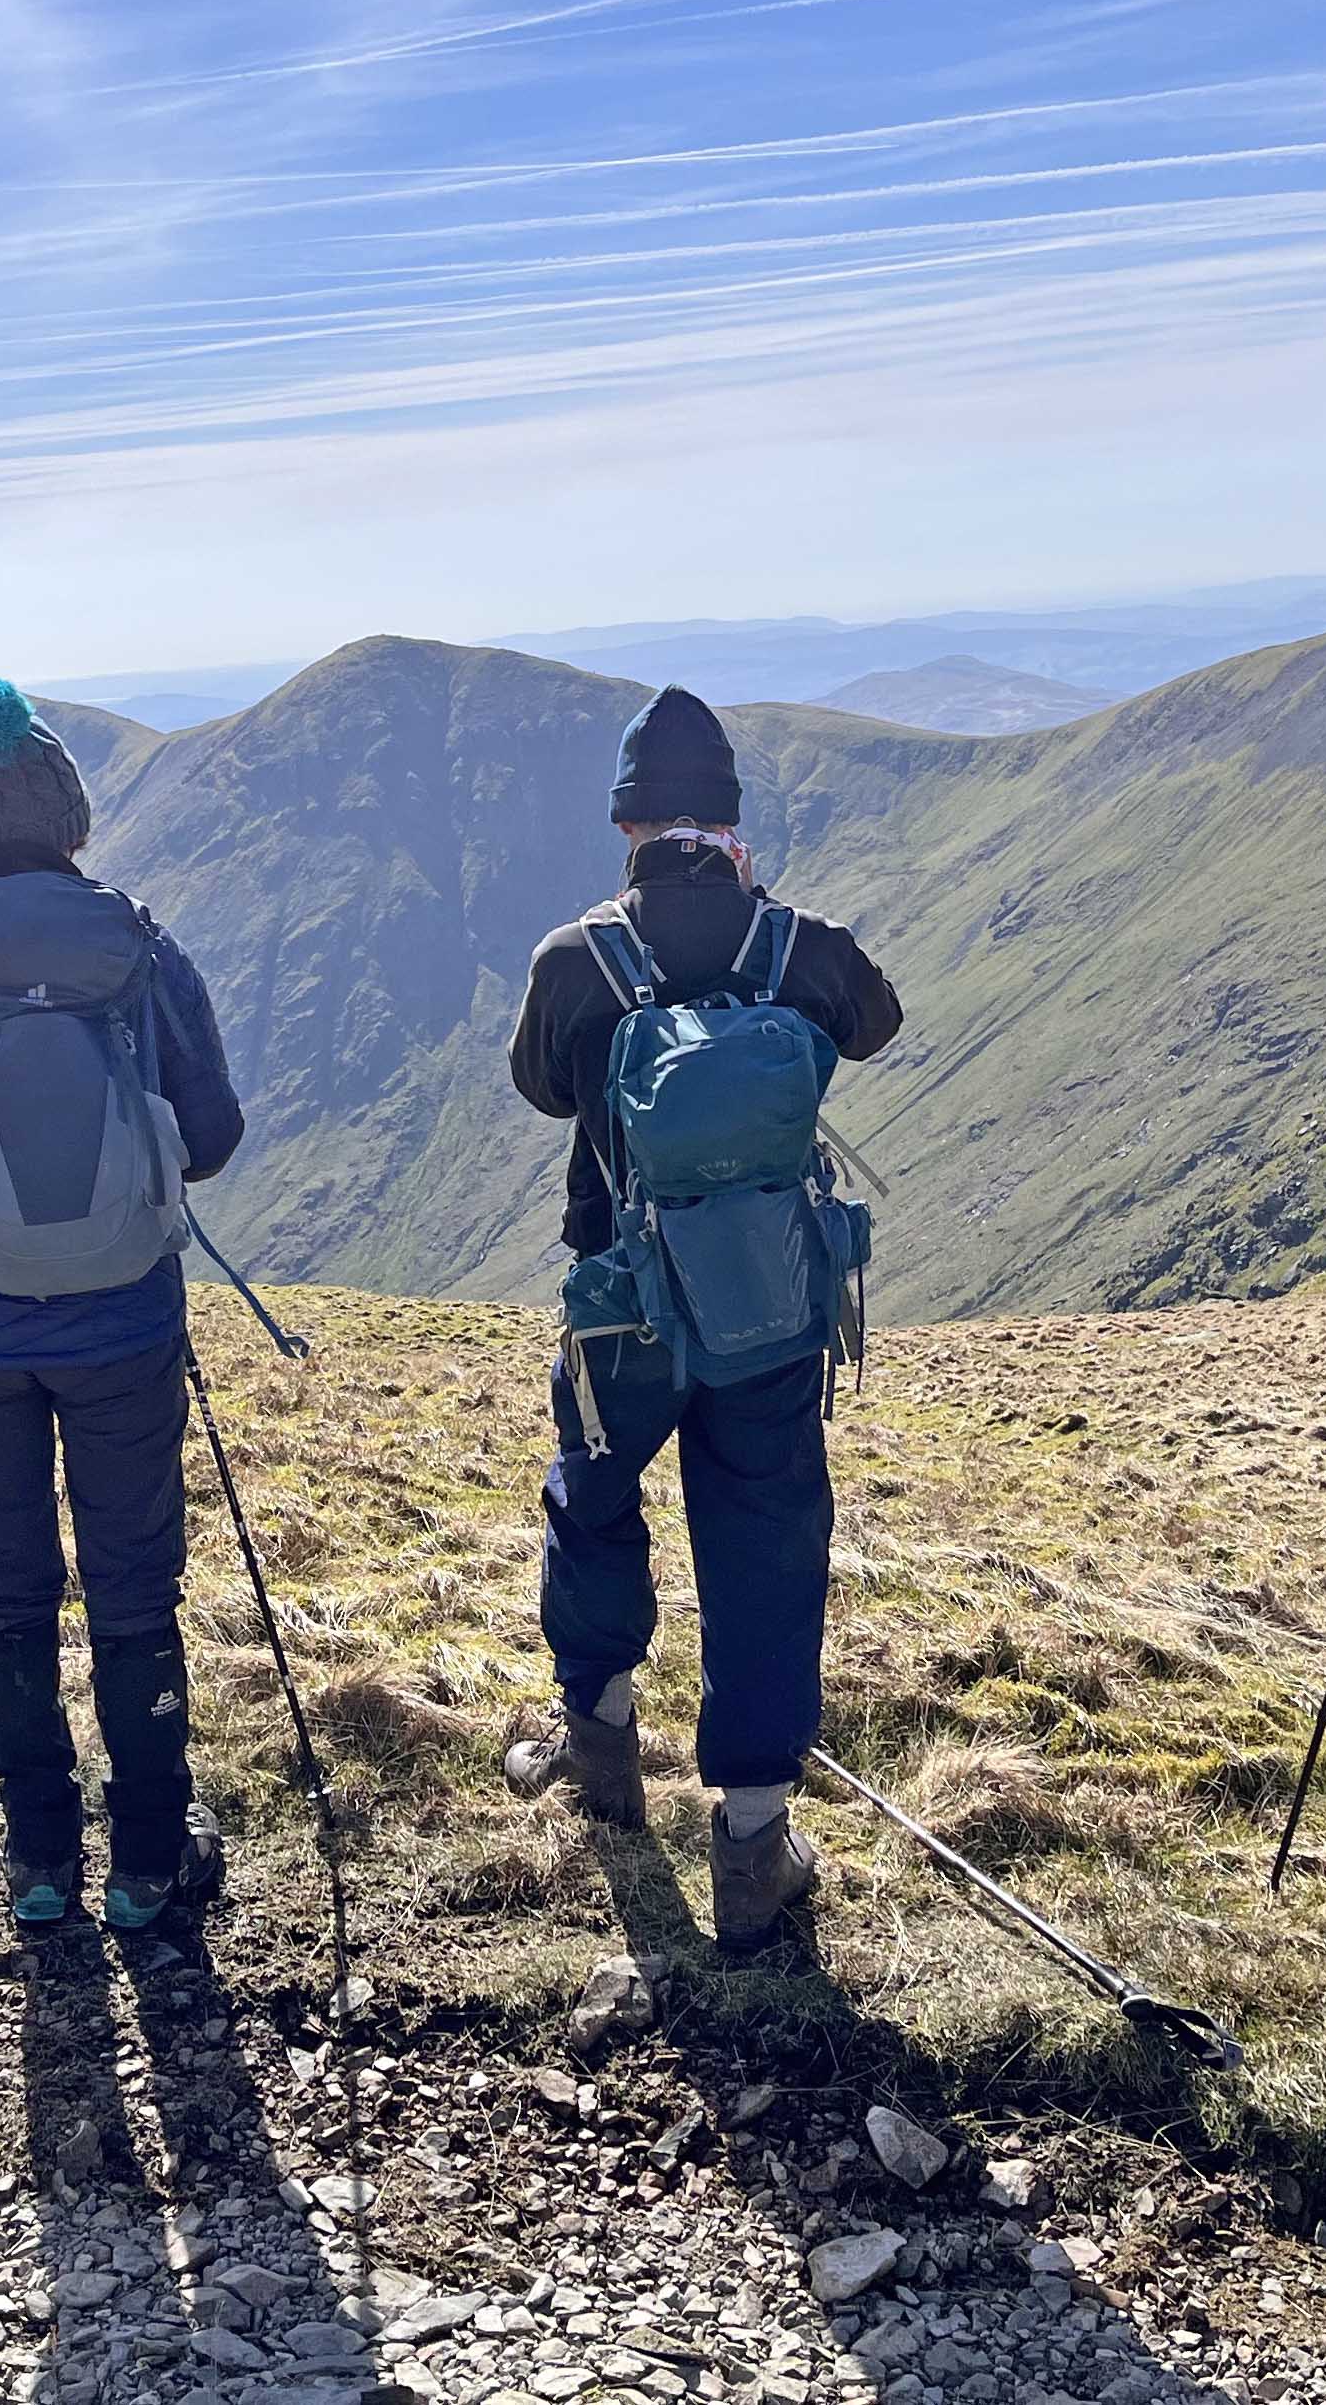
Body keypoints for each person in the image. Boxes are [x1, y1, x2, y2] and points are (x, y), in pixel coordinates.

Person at [501, 686, 903, 1947]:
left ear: (627, 824)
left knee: (596, 1498)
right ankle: (751, 1842)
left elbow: (534, 1085)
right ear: (728, 821)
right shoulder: (794, 944)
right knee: (765, 1539)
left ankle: (603, 1753)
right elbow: (875, 1023)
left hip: (619, 1302)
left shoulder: (579, 958)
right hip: (766, 1306)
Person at [0, 678, 246, 1934]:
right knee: (134, 1587)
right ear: (70, 814)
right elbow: (211, 1138)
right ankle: (147, 1861)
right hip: (121, 1324)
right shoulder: (138, 948)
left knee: (7, 1582)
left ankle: (38, 1861)